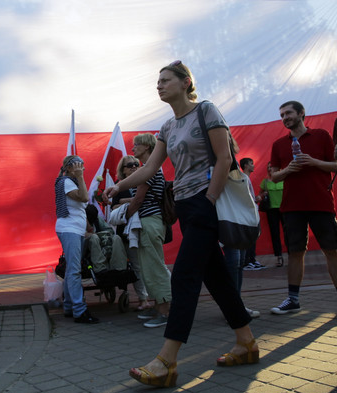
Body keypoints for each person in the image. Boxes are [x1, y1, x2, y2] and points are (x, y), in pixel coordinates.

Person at [103, 60, 258, 387]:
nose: (158, 85)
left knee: (185, 276)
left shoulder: (207, 111)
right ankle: (246, 342)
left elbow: (226, 157)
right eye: (157, 81)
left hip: (206, 203)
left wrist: (210, 199)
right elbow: (148, 169)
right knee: (215, 278)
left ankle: (167, 361)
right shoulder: (167, 128)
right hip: (186, 207)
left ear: (186, 82)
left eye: (165, 79)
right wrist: (119, 186)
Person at [269, 100, 337, 315]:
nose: (285, 118)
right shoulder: (278, 144)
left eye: (288, 113)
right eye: (282, 114)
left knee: (331, 250)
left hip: (321, 203)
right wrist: (288, 170)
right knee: (295, 252)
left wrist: (312, 161)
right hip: (292, 206)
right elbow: (274, 176)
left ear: (301, 113)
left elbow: (335, 164)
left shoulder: (321, 136)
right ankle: (293, 300)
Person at [128, 133, 172, 329]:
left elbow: (138, 200)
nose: (133, 148)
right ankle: (159, 307)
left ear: (147, 147)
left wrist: (122, 215)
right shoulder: (151, 169)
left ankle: (164, 312)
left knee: (154, 267)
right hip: (151, 221)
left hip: (150, 221)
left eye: (136, 144)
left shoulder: (149, 170)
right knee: (150, 266)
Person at [55, 155, 99, 324]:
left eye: (83, 165)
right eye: (79, 165)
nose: (83, 168)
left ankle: (68, 306)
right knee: (74, 270)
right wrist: (80, 176)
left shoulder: (69, 181)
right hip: (70, 230)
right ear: (69, 168)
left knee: (71, 270)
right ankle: (79, 311)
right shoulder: (66, 182)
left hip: (74, 229)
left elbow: (81, 205)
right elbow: (84, 198)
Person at [111, 155, 152, 311]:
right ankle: (143, 299)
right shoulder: (119, 186)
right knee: (136, 266)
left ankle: (161, 297)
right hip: (128, 232)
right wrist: (131, 200)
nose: (134, 166)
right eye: (130, 165)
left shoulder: (145, 181)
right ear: (123, 170)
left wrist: (128, 200)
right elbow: (113, 208)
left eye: (136, 164)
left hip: (146, 228)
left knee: (152, 264)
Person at [239, 157, 266, 271]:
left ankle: (251, 260)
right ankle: (246, 261)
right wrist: (258, 198)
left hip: (250, 212)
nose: (253, 165)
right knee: (249, 236)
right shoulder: (243, 178)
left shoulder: (246, 178)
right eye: (251, 163)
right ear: (245, 165)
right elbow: (246, 198)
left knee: (253, 236)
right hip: (247, 213)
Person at [258, 161, 285, 267]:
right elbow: (260, 194)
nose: (269, 169)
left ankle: (293, 255)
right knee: (275, 234)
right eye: (268, 167)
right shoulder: (265, 182)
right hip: (271, 210)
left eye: (271, 167)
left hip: (284, 209)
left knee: (288, 232)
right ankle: (279, 256)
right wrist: (263, 194)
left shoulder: (284, 178)